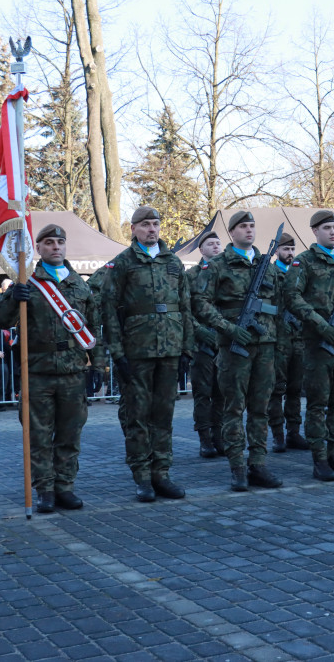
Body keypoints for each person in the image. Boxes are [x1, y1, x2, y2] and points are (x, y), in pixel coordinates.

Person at [0, 224, 104, 513]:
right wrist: (13, 298)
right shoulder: (27, 281)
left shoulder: (80, 284)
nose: (56, 247)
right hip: (37, 371)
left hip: (72, 372)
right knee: (38, 435)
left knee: (70, 434)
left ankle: (65, 486)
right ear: (38, 248)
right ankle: (44, 489)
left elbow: (93, 328)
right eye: (49, 242)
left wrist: (98, 366)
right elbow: (1, 321)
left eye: (60, 242)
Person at [100, 207, 194, 502]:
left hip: (169, 349)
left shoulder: (174, 262)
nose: (152, 229)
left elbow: (185, 307)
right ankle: (142, 477)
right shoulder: (123, 264)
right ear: (134, 228)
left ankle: (161, 474)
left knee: (163, 415)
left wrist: (186, 350)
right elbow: (110, 312)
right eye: (145, 225)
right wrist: (117, 353)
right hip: (137, 351)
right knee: (137, 417)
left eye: (155, 224)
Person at [193, 211, 284, 491]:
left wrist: (274, 336)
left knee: (261, 408)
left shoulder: (266, 265)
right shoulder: (218, 265)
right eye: (242, 226)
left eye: (252, 226)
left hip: (264, 345)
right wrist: (228, 328)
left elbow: (278, 302)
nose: (249, 230)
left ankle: (258, 463)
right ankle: (237, 467)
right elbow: (201, 303)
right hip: (234, 347)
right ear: (232, 232)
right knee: (233, 408)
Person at [282, 209, 334, 481]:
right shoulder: (303, 262)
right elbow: (291, 296)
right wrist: (319, 323)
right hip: (317, 343)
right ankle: (319, 459)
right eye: (326, 228)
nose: (332, 232)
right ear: (315, 231)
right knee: (318, 403)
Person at [185, 231, 226, 458]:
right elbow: (185, 309)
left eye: (218, 244)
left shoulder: (227, 274)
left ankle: (219, 436)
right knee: (203, 393)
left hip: (224, 341)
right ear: (201, 250)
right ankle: (204, 439)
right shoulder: (191, 275)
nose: (216, 247)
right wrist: (199, 332)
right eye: (211, 244)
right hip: (202, 344)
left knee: (221, 393)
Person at [268, 232, 308, 452]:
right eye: (285, 249)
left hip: (299, 338)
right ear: (277, 252)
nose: (290, 253)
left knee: (295, 388)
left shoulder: (298, 274)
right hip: (278, 340)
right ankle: (277, 434)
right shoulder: (270, 272)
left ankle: (294, 432)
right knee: (277, 389)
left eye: (292, 249)